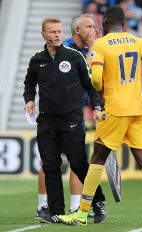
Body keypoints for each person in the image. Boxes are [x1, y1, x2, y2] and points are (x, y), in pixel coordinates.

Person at [58, 6, 142, 228]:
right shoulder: (138, 41)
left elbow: (95, 81)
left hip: (115, 109)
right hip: (138, 110)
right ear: (124, 24)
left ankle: (82, 214)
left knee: (97, 159)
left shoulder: (100, 45)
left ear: (104, 22)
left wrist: (101, 88)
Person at [23, 17, 106, 224]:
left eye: (60, 31)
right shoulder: (36, 60)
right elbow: (29, 84)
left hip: (72, 120)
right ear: (44, 35)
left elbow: (90, 86)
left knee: (78, 165)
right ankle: (56, 212)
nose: (58, 35)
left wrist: (97, 107)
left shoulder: (75, 57)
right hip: (46, 121)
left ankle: (98, 200)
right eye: (53, 32)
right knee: (50, 165)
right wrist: (29, 100)